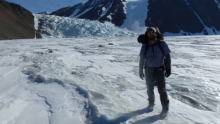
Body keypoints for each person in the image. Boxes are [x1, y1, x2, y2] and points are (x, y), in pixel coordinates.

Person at [139, 27, 171, 118]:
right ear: (147, 34)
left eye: (153, 32)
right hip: (148, 70)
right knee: (150, 89)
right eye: (149, 32)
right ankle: (151, 104)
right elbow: (142, 58)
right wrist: (140, 70)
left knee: (162, 90)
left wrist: (168, 68)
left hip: (159, 70)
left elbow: (167, 56)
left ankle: (165, 109)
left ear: (156, 34)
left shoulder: (162, 44)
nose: (151, 34)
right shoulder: (145, 45)